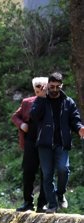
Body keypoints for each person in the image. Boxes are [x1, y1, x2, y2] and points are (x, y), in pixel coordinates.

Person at [29, 71, 84, 213]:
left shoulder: (68, 102)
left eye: (57, 87)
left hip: (62, 143)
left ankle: (60, 194)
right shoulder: (41, 100)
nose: (54, 90)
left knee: (63, 169)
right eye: (52, 87)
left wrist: (79, 128)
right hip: (44, 144)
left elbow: (75, 119)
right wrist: (40, 98)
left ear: (61, 86)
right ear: (48, 85)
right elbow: (34, 117)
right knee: (47, 175)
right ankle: (52, 205)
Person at [11, 77, 48, 212]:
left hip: (47, 143)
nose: (39, 92)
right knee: (28, 172)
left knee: (46, 173)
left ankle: (42, 205)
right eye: (36, 90)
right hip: (31, 142)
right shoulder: (27, 102)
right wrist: (22, 124)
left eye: (42, 88)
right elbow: (15, 116)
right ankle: (28, 202)